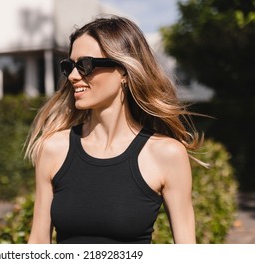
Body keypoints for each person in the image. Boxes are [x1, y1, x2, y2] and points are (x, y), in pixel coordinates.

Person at [24, 15, 204, 244]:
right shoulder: (53, 149)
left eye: (85, 65)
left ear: (125, 73)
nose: (72, 76)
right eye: (69, 66)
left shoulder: (166, 154)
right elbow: (38, 243)